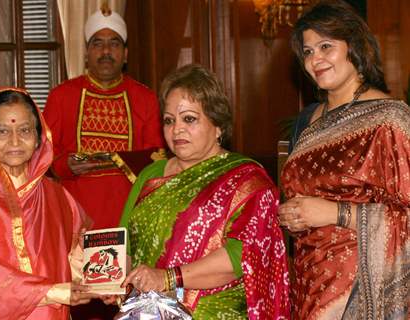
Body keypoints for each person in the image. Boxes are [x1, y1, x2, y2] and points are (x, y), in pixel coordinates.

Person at [117, 64, 290, 319]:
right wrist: (114, 280)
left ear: (218, 125)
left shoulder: (247, 181)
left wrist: (168, 278)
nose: (177, 129)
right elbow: (124, 244)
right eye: (169, 120)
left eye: (189, 118)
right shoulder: (151, 175)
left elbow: (241, 256)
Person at [279, 1, 410, 319]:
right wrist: (293, 216)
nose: (315, 59)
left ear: (354, 46)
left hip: (360, 290)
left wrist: (336, 213)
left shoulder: (389, 119)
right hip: (309, 282)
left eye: (326, 46)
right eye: (308, 52)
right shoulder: (307, 121)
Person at [0, 88, 99, 319]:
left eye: (25, 130)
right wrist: (49, 291)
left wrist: (101, 278)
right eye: (3, 131)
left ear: (39, 137)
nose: (15, 141)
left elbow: (82, 248)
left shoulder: (56, 195)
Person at [43, 8, 164, 231]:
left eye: (114, 44)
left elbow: (157, 158)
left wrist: (121, 161)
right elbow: (42, 155)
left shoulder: (145, 98)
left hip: (129, 216)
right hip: (75, 217)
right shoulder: (61, 96)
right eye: (97, 43)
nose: (106, 51)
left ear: (125, 54)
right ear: (86, 53)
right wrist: (66, 164)